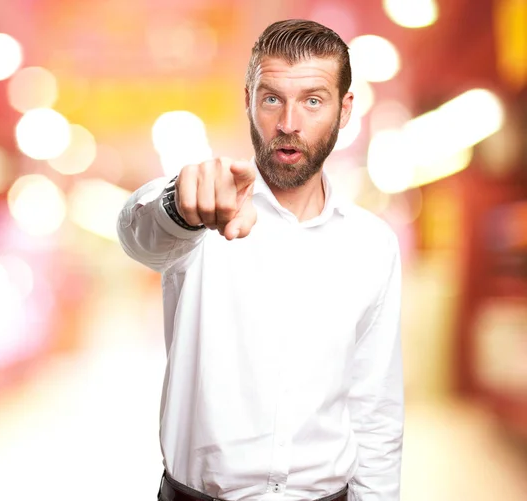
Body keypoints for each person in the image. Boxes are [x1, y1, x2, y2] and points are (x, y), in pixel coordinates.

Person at [117, 19, 404, 501]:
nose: (289, 122)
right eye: (272, 98)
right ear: (248, 100)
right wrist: (178, 205)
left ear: (345, 108)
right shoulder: (203, 215)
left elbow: (375, 410)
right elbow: (138, 233)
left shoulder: (373, 244)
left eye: (313, 100)